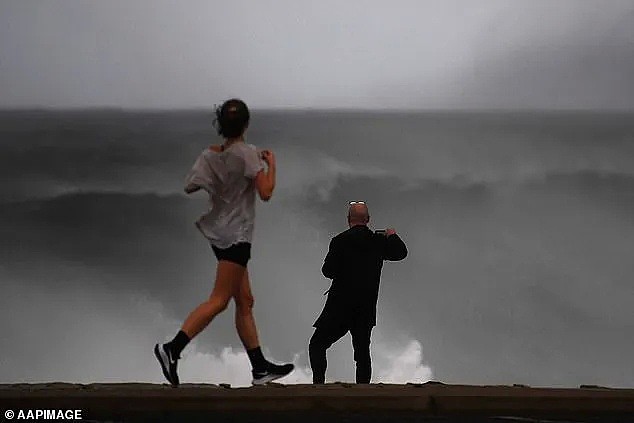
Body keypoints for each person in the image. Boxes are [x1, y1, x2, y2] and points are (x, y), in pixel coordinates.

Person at [154, 99, 294, 386]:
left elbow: (190, 185)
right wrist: (272, 165)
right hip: (237, 237)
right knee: (219, 301)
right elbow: (265, 192)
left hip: (218, 234)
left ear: (221, 125)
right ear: (246, 124)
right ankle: (172, 349)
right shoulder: (248, 154)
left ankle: (260, 369)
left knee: (245, 301)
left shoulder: (209, 156)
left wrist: (220, 174)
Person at [309, 201, 408, 384]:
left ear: (348, 220)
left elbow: (327, 271)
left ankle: (318, 385)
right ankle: (363, 391)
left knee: (317, 345)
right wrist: (392, 235)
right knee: (362, 353)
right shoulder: (378, 242)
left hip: (340, 306)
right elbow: (401, 253)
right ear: (368, 220)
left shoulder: (339, 241)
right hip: (365, 307)